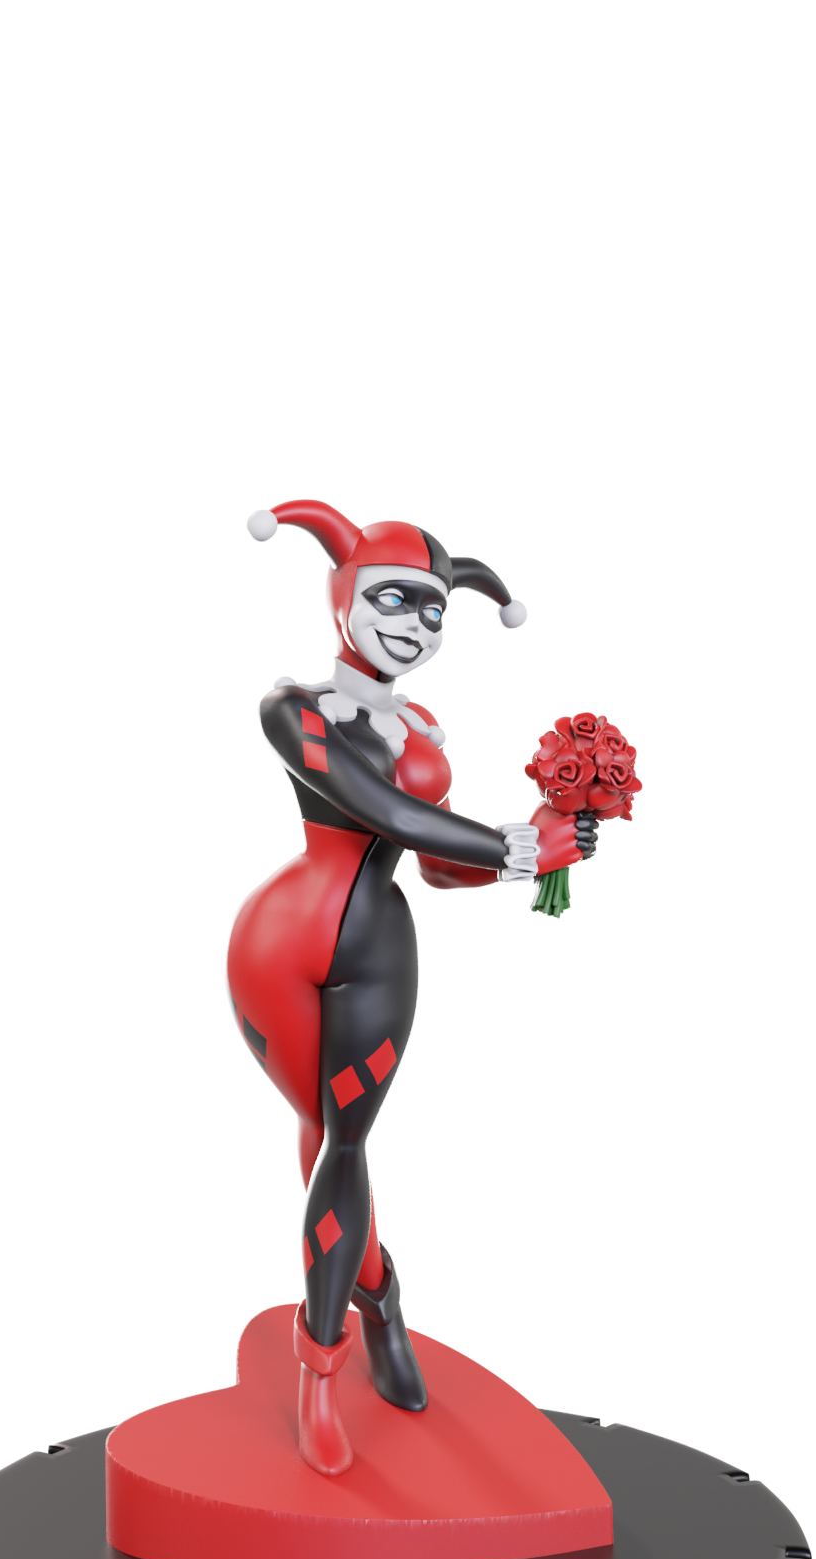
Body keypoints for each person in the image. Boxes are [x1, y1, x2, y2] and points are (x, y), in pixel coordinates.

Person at [225, 500, 596, 1474]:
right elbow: (375, 806)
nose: (418, 625)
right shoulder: (290, 707)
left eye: (434, 611)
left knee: (342, 1142)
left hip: (379, 947)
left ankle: (338, 1351)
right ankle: (372, 1314)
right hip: (276, 948)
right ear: (342, 596)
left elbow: (435, 866)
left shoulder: (424, 722)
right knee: (325, 1137)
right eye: (394, 599)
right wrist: (506, 847)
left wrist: (543, 844)